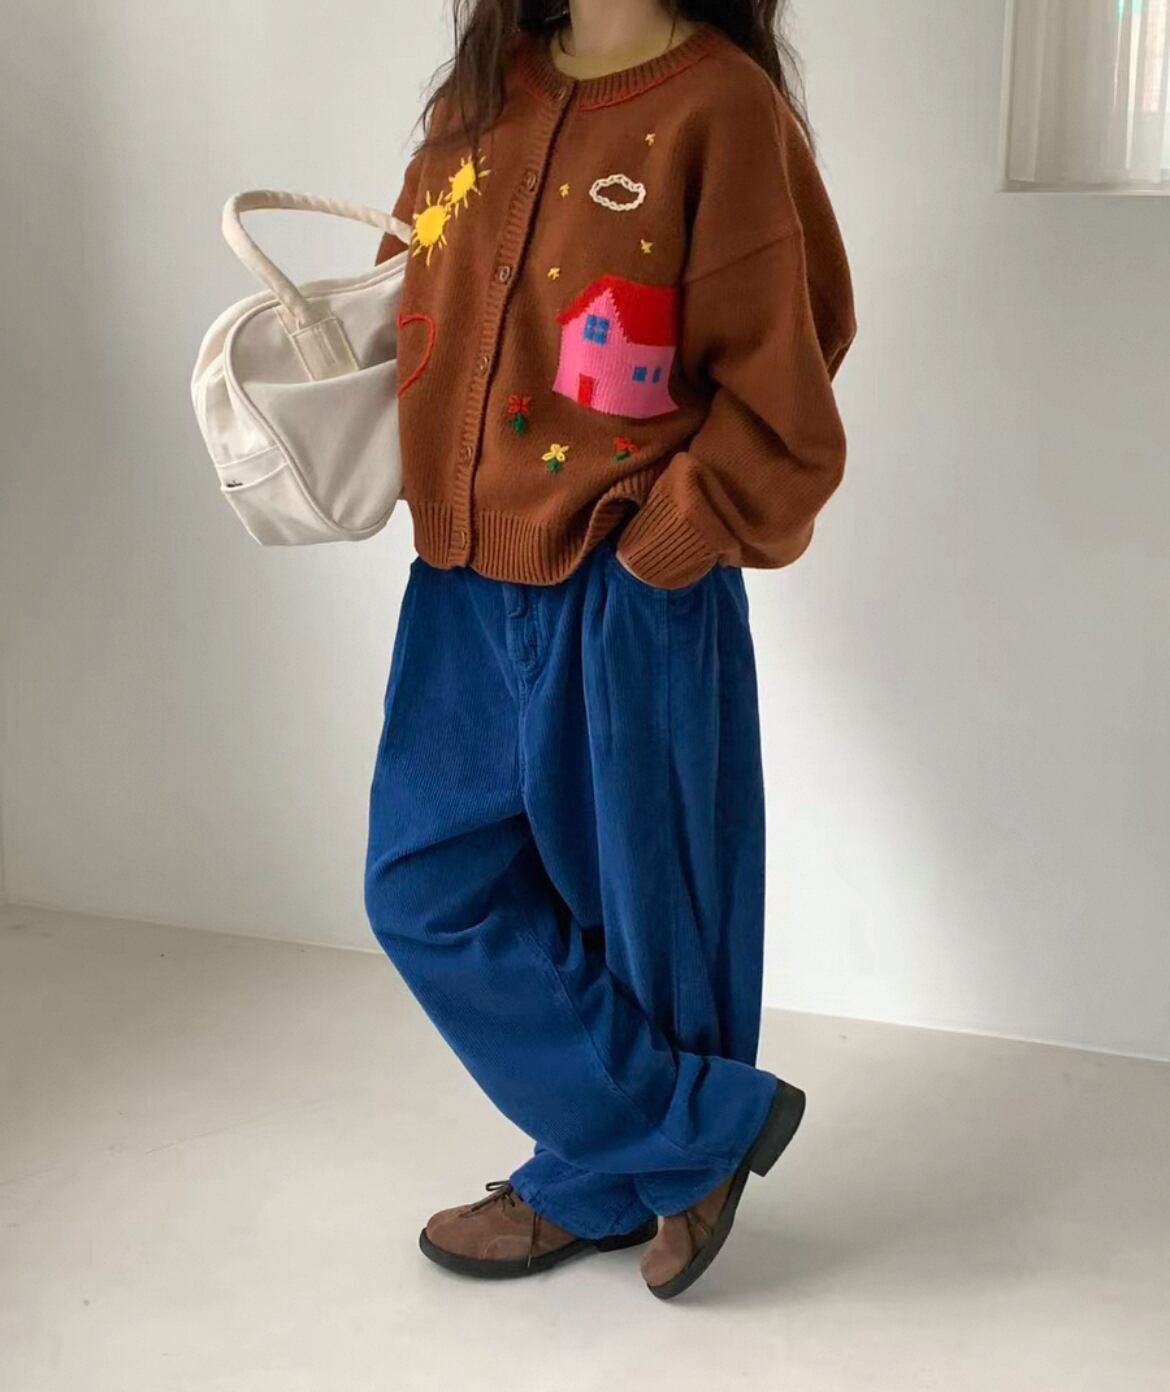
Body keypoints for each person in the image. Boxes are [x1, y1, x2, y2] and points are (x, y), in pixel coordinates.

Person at [364, 0, 855, 1300]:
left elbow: (793, 363)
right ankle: (694, 1133)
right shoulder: (482, 93)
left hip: (625, 576)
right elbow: (405, 292)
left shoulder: (719, 106)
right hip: (462, 575)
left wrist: (668, 540)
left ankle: (593, 1181)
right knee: (425, 888)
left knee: (650, 910)